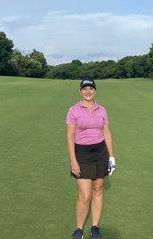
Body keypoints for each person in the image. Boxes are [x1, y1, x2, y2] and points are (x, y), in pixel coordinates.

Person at [66, 77, 116, 239]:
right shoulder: (74, 110)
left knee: (98, 189)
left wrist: (111, 157)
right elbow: (70, 136)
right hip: (82, 153)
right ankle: (79, 229)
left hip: (100, 153)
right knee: (85, 194)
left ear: (95, 90)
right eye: (84, 89)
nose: (88, 92)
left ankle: (95, 227)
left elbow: (106, 132)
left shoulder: (102, 109)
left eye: (91, 88)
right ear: (80, 91)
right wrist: (73, 160)